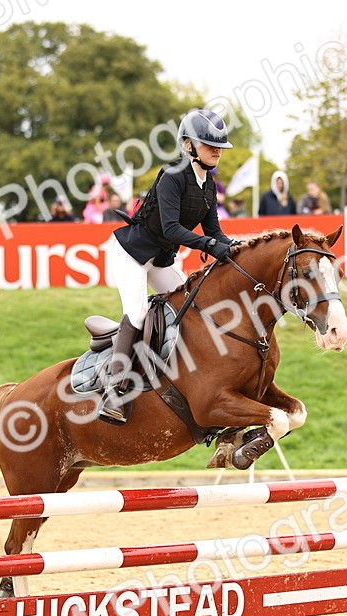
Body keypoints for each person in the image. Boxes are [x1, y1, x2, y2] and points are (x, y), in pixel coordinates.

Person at [99, 108, 239, 424]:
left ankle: (190, 381)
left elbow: (213, 231)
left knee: (194, 309)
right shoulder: (172, 176)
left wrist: (234, 249)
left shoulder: (208, 185)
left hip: (160, 260)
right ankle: (114, 391)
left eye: (219, 146)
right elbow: (173, 228)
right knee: (136, 313)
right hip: (131, 255)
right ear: (188, 145)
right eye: (209, 144)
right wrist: (208, 245)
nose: (217, 151)